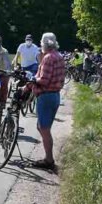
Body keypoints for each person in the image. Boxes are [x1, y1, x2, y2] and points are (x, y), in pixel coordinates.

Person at [25, 32, 65, 170]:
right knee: (41, 127)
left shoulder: (48, 58)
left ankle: (49, 160)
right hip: (55, 95)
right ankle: (48, 158)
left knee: (44, 129)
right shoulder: (59, 56)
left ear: (45, 44)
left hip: (46, 96)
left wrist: (31, 81)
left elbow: (44, 80)